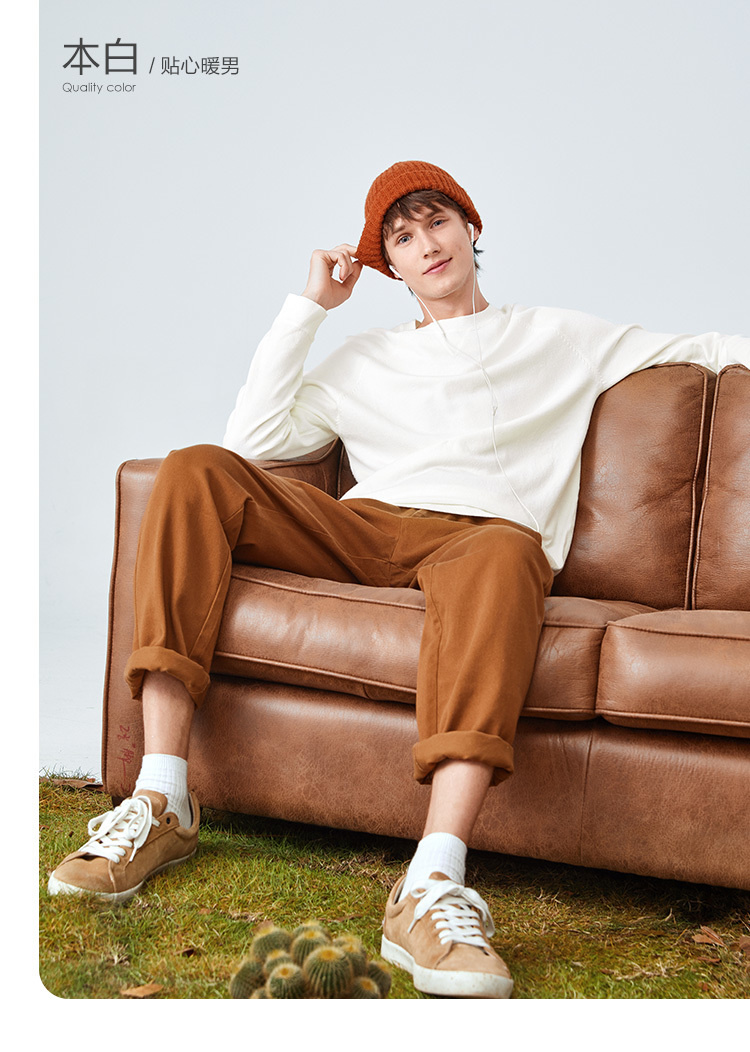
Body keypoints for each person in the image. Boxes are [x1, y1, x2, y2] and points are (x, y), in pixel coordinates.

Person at [48, 161, 749, 999]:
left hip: (483, 541)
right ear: (390, 266)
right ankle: (163, 800)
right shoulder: (363, 358)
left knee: (509, 554)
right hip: (366, 528)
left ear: (471, 229)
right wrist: (311, 307)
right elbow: (253, 440)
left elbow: (710, 350)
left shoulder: (557, 335)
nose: (427, 245)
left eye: (437, 221)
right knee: (194, 468)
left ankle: (431, 881)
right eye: (403, 238)